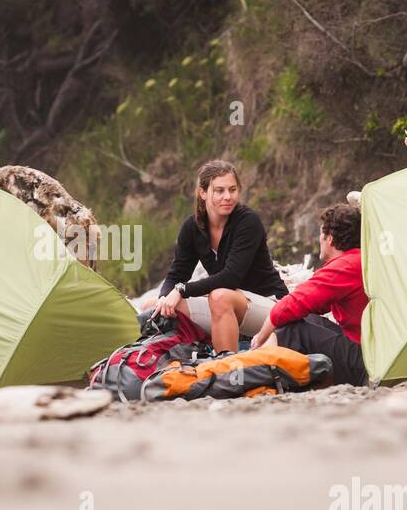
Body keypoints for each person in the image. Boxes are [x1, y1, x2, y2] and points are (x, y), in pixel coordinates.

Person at [153, 160, 289, 353]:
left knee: (219, 297)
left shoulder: (248, 222)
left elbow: (230, 277)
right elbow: (176, 275)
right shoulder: (192, 228)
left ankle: (227, 372)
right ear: (202, 193)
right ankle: (189, 357)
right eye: (219, 191)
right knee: (157, 306)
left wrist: (182, 290)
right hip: (230, 308)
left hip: (270, 307)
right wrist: (164, 299)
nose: (227, 197)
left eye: (232, 190)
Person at [249, 202, 368, 386]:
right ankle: (263, 368)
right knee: (306, 319)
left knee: (293, 330)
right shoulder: (362, 259)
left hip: (363, 362)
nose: (319, 239)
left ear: (329, 238)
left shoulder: (345, 266)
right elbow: (312, 304)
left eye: (321, 233)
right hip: (365, 353)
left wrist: (259, 337)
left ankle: (253, 373)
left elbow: (290, 305)